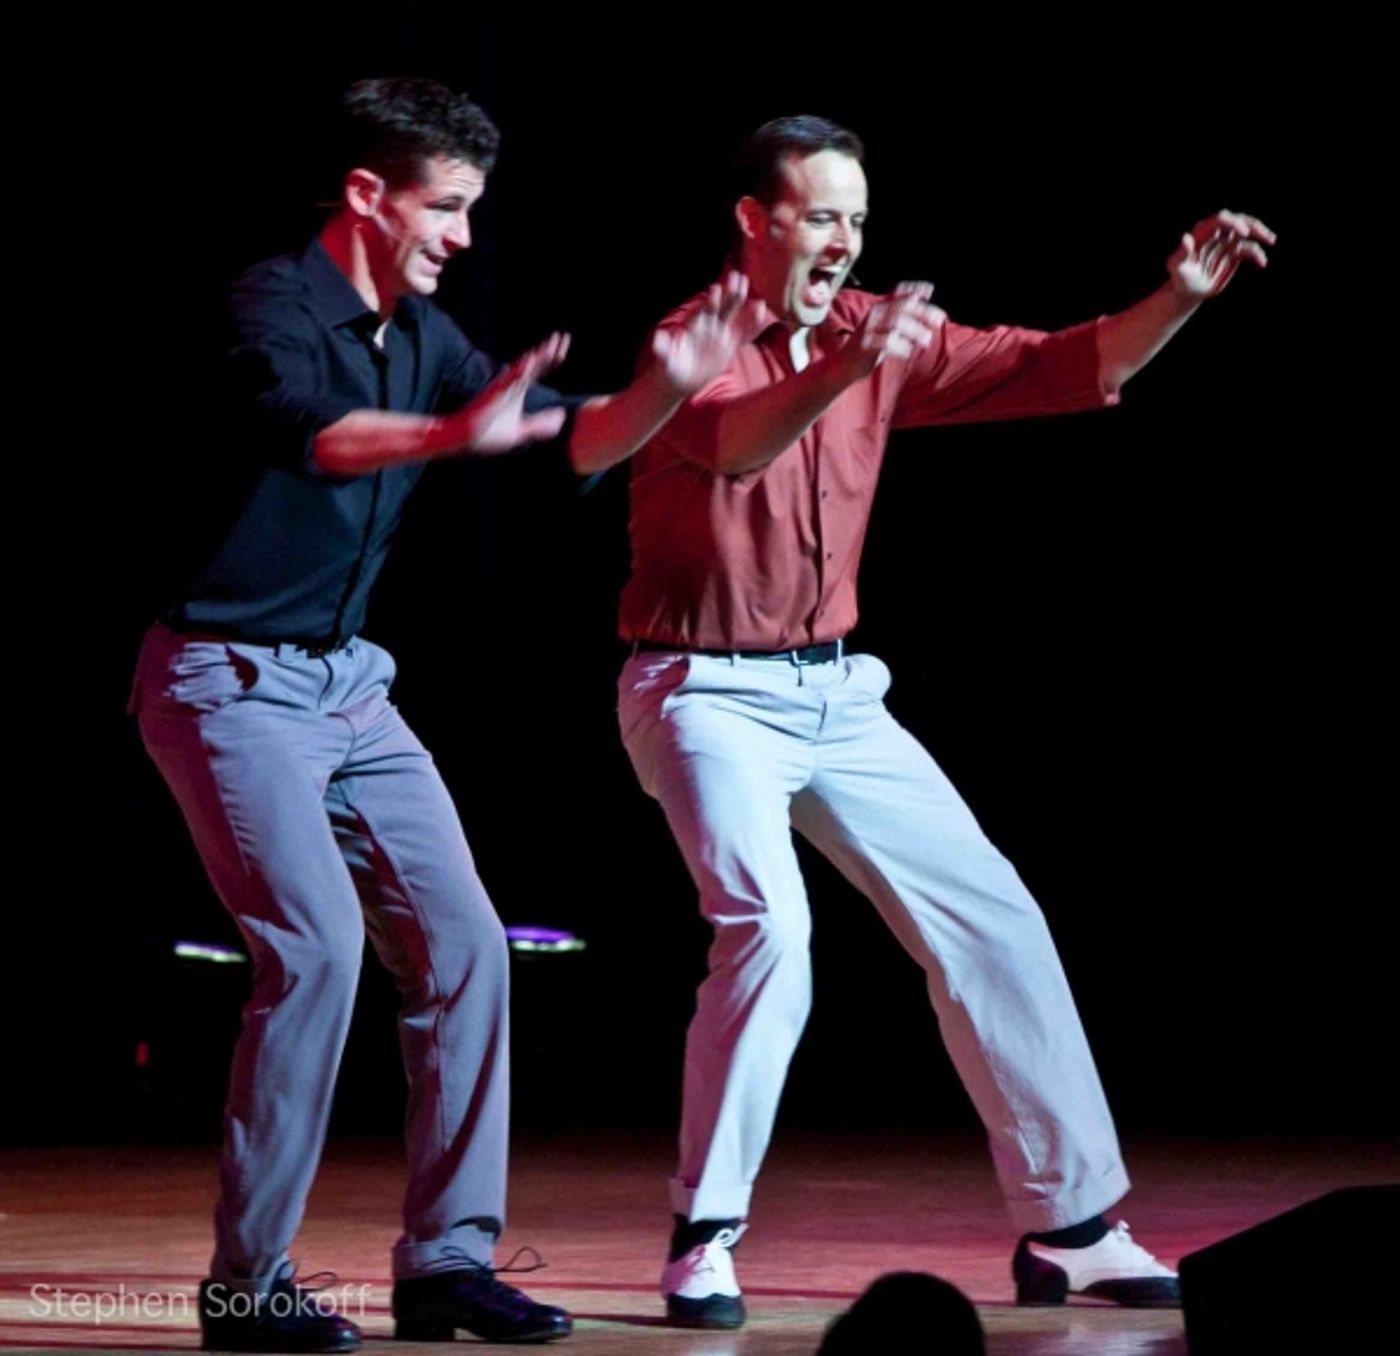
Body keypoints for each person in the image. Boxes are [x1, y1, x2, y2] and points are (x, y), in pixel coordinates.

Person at [614, 115, 1274, 1329]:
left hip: (834, 693)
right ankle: (703, 1234)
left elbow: (1065, 364)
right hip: (699, 691)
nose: (843, 242)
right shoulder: (692, 337)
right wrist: (849, 367)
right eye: (821, 216)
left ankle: (1070, 1228)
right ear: (755, 221)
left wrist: (1175, 299)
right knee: (769, 929)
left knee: (992, 919)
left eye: (857, 220)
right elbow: (735, 443)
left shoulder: (872, 333)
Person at [131, 76, 756, 1352]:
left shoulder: (424, 336)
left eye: (472, 210)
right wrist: (450, 436)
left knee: (468, 947)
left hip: (350, 686)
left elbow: (565, 438)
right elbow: (314, 436)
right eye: (445, 207)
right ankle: (246, 1283)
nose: (463, 236)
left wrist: (661, 387)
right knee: (315, 952)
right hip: (224, 681)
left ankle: (446, 1265)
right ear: (368, 194)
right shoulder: (270, 305)